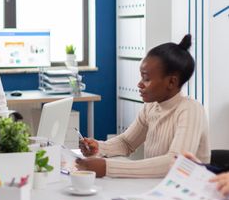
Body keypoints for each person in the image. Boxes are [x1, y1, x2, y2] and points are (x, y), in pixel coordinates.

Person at [76, 34, 210, 178]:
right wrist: (99, 147)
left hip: (187, 194)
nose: (140, 84)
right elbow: (126, 143)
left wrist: (108, 167)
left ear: (171, 82)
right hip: (156, 188)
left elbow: (176, 163)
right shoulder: (151, 106)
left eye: (146, 78)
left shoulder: (190, 110)